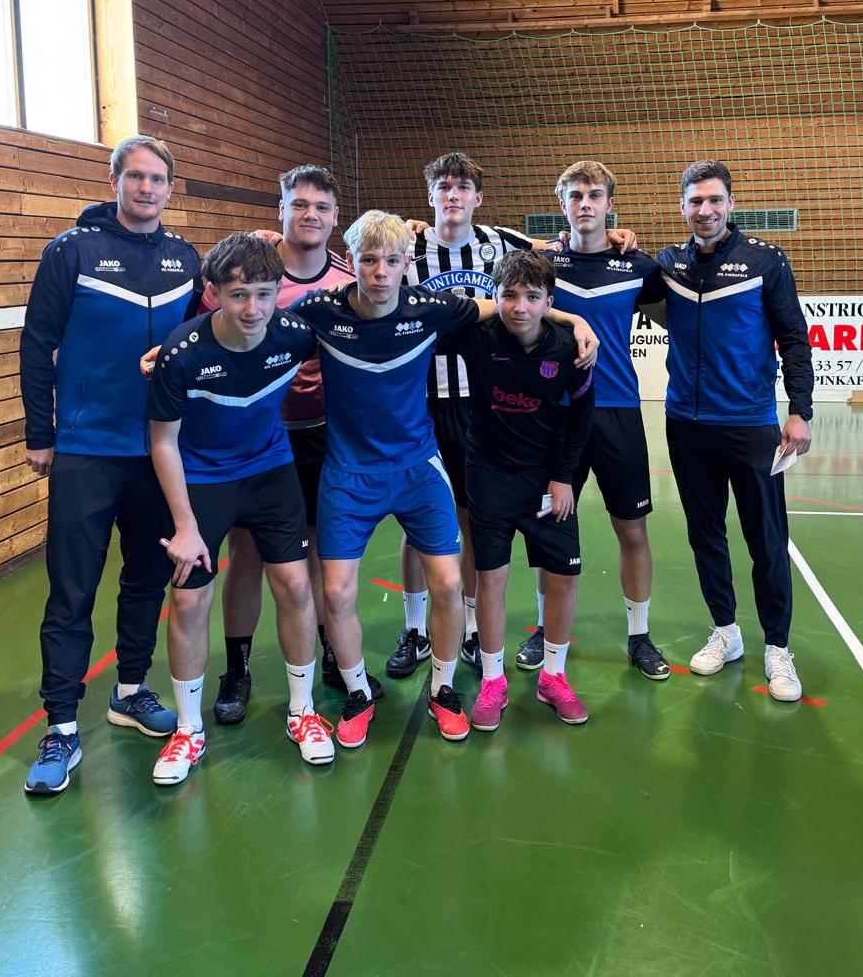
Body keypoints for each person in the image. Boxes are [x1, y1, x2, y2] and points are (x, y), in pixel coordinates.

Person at [289, 211, 599, 748]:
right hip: (348, 475)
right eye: (368, 260)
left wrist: (573, 319)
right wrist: (182, 349)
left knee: (452, 584)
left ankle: (444, 689)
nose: (380, 272)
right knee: (335, 592)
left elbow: (508, 305)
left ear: (406, 263)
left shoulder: (430, 308)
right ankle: (359, 694)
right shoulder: (320, 311)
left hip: (418, 469)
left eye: (391, 261)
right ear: (350, 262)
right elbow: (253, 325)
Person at [391, 152, 634, 682]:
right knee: (419, 519)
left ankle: (472, 629)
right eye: (443, 187)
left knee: (472, 521)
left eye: (462, 187)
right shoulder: (406, 247)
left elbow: (560, 251)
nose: (453, 196)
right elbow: (359, 263)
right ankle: (413, 629)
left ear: (478, 197)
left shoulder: (499, 242)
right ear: (429, 196)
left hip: (480, 401)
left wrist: (611, 247)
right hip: (422, 401)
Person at [19, 135, 202, 796]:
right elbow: (37, 343)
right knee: (72, 591)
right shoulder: (71, 251)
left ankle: (130, 690)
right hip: (85, 450)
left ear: (170, 189)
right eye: (136, 177)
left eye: (158, 179)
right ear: (115, 181)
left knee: (146, 582)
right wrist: (41, 433)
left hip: (158, 454)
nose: (147, 188)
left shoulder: (186, 258)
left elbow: (205, 338)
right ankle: (62, 727)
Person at [192, 165, 380, 729]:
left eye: (321, 207)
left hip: (324, 433)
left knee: (321, 552)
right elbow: (203, 337)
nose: (310, 215)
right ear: (281, 210)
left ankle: (332, 651)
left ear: (336, 217)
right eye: (299, 205)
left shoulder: (346, 279)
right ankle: (237, 669)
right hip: (257, 437)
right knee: (247, 555)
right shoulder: (250, 267)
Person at [144, 234, 335, 782]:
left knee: (296, 585)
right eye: (239, 295)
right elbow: (163, 442)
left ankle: (303, 712)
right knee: (188, 601)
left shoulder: (295, 333)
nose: (253, 309)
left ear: (279, 291)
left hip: (271, 472)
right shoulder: (182, 353)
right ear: (214, 294)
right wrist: (184, 526)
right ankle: (188, 730)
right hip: (202, 480)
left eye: (264, 294)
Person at [645, 160, 814, 701]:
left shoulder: (766, 260)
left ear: (731, 204)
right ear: (682, 208)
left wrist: (800, 410)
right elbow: (614, 270)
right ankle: (726, 632)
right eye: (695, 201)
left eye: (714, 200)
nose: (705, 210)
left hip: (751, 425)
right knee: (705, 536)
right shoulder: (668, 265)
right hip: (686, 425)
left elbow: (794, 338)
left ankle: (778, 648)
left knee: (767, 541)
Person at [517, 161, 670, 681]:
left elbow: (680, 310)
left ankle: (639, 635)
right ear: (561, 204)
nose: (585, 204)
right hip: (554, 417)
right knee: (550, 528)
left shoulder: (639, 267)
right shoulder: (541, 265)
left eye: (595, 195)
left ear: (610, 204)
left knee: (632, 528)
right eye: (576, 195)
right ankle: (545, 628)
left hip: (618, 412)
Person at [439, 251, 597, 730]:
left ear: (549, 302)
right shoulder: (476, 337)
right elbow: (427, 312)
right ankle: (493, 680)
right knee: (490, 578)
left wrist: (564, 477)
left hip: (547, 481)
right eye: (509, 295)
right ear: (495, 297)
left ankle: (553, 677)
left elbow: (582, 416)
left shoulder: (570, 348)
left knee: (564, 576)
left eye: (532, 297)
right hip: (488, 475)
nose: (520, 307)